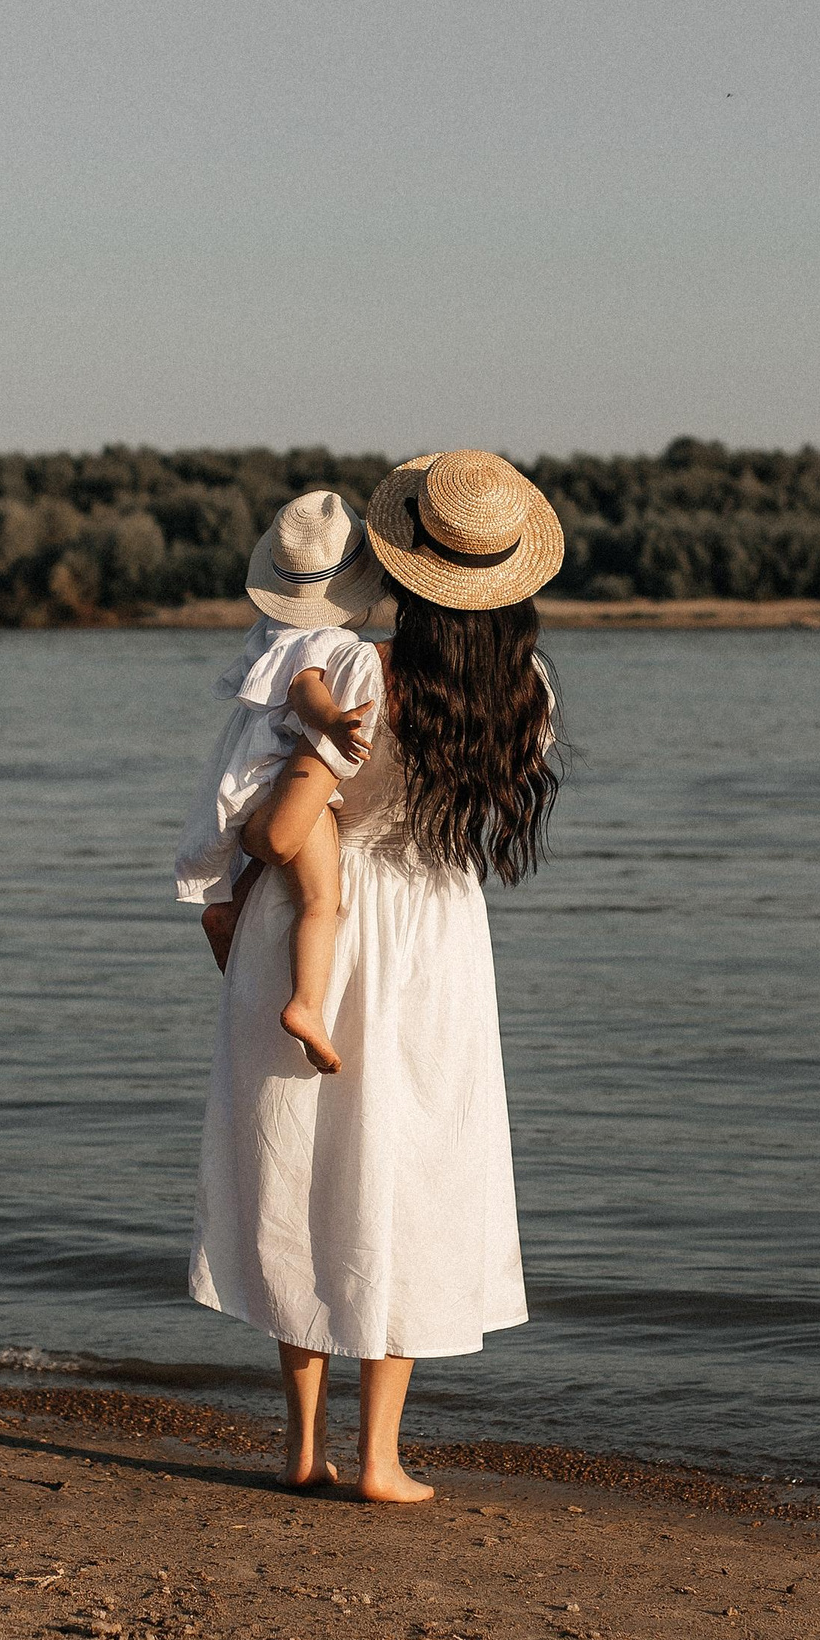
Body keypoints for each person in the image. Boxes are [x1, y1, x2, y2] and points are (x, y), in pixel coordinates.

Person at [189, 450, 564, 1504]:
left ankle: (305, 1447)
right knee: (408, 1173)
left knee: (300, 1171)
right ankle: (381, 1457)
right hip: (434, 940)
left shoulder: (357, 671)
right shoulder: (528, 691)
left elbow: (282, 829)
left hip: (324, 921)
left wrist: (245, 833)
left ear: (401, 567)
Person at [171, 492, 386, 1072]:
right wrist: (333, 720)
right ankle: (306, 1004)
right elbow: (303, 688)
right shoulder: (331, 641)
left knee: (275, 870)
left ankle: (228, 912)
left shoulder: (271, 632)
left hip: (255, 775)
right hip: (282, 776)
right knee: (321, 900)